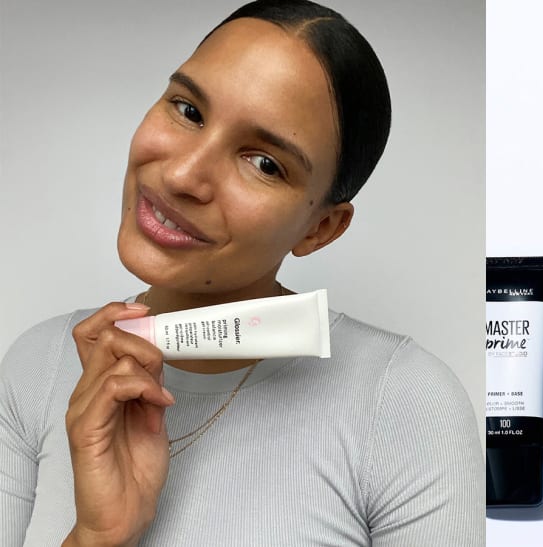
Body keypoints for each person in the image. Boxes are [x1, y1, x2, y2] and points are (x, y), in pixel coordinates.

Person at [0, 1, 484, 545]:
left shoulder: (405, 401)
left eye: (264, 163)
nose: (183, 175)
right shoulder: (37, 369)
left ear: (320, 229)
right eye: (187, 110)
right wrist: (99, 534)